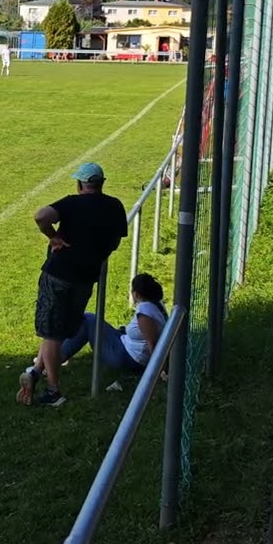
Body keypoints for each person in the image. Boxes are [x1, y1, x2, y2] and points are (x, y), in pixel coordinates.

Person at [18, 162, 128, 407]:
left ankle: (54, 391)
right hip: (86, 278)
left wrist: (53, 236)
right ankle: (36, 372)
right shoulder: (115, 206)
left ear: (80, 184)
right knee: (59, 331)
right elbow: (116, 241)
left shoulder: (72, 202)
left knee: (52, 334)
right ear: (102, 183)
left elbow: (41, 216)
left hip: (58, 275)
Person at [21, 274, 168, 395]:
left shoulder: (144, 313)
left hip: (128, 357)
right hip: (125, 344)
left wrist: (156, 374)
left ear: (136, 294)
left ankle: (49, 362)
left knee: (88, 321)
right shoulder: (157, 305)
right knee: (88, 320)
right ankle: (48, 361)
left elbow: (152, 344)